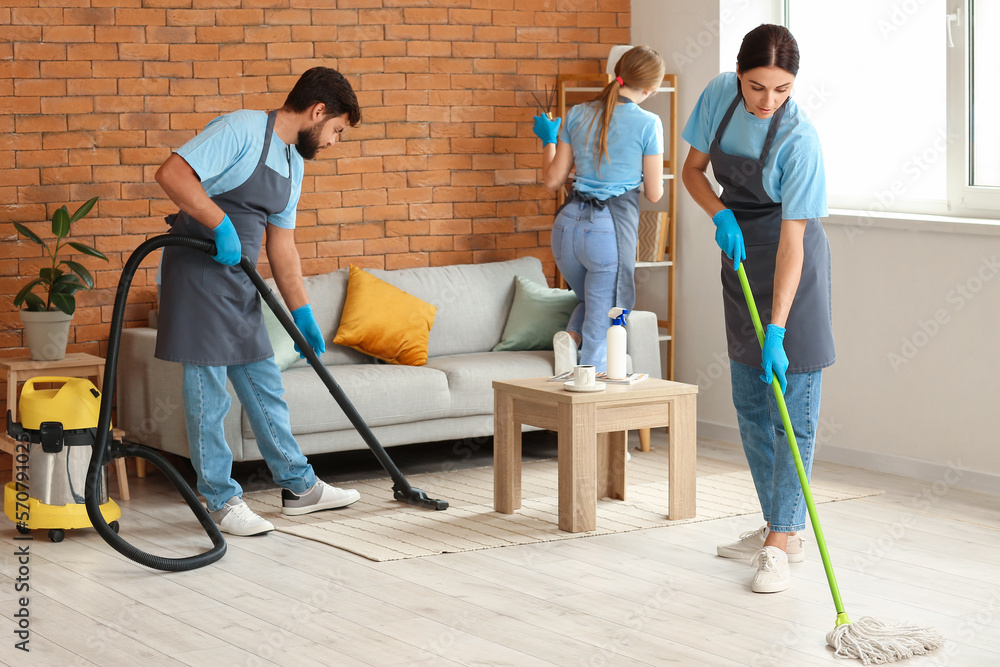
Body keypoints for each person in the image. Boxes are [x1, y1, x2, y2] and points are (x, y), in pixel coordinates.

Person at [153, 67, 364, 536]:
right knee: (209, 392)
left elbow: (282, 246)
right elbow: (172, 174)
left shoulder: (294, 162)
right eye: (336, 131)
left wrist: (303, 311)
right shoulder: (242, 129)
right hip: (198, 272)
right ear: (318, 111)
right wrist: (218, 221)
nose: (334, 142)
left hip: (240, 282)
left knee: (263, 379)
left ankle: (299, 486)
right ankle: (221, 500)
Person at [681, 24, 834, 593]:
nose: (768, 102)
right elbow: (693, 173)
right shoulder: (719, 95)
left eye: (782, 89)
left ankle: (781, 541)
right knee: (749, 403)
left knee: (791, 410)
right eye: (757, 87)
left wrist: (778, 327)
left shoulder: (801, 139)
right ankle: (780, 527)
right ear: (738, 75)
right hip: (739, 252)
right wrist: (719, 214)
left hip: (793, 268)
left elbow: (793, 244)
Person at [532, 46, 666, 374]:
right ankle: (588, 396)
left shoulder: (577, 113)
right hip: (607, 230)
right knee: (606, 316)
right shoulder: (649, 123)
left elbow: (552, 180)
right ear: (650, 89)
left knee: (591, 302)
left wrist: (549, 139)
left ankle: (571, 336)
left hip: (566, 227)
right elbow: (653, 193)